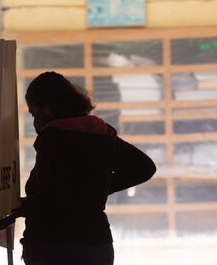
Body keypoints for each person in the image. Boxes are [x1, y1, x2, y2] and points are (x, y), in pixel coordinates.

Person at [18, 71, 156, 265]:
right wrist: (97, 188)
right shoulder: (100, 131)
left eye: (34, 113)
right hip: (96, 244)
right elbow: (144, 168)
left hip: (56, 246)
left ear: (47, 107)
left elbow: (49, 200)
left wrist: (16, 206)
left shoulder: (53, 137)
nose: (34, 122)